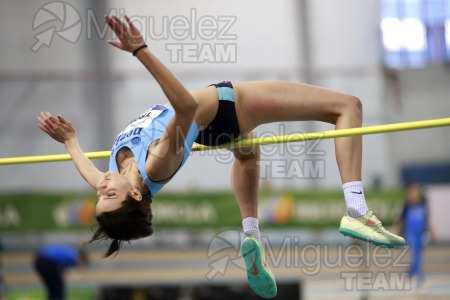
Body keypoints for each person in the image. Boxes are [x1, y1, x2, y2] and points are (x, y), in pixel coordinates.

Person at [37, 15, 405, 298]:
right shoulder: (156, 161)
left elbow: (86, 168)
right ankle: (356, 208)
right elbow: (184, 105)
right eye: (109, 195)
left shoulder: (117, 174)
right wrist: (140, 51)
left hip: (213, 129)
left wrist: (70, 140)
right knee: (347, 106)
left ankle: (251, 234)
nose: (101, 186)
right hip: (228, 105)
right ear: (134, 195)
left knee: (248, 156)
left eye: (99, 196)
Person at [397, 183, 435, 287]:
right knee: (415, 254)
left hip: (421, 233)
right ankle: (419, 276)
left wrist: (431, 232)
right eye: (412, 191)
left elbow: (427, 219)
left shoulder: (423, 204)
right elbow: (400, 220)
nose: (414, 193)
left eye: (416, 191)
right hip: (410, 233)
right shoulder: (406, 205)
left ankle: (409, 273)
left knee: (419, 254)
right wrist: (398, 233)